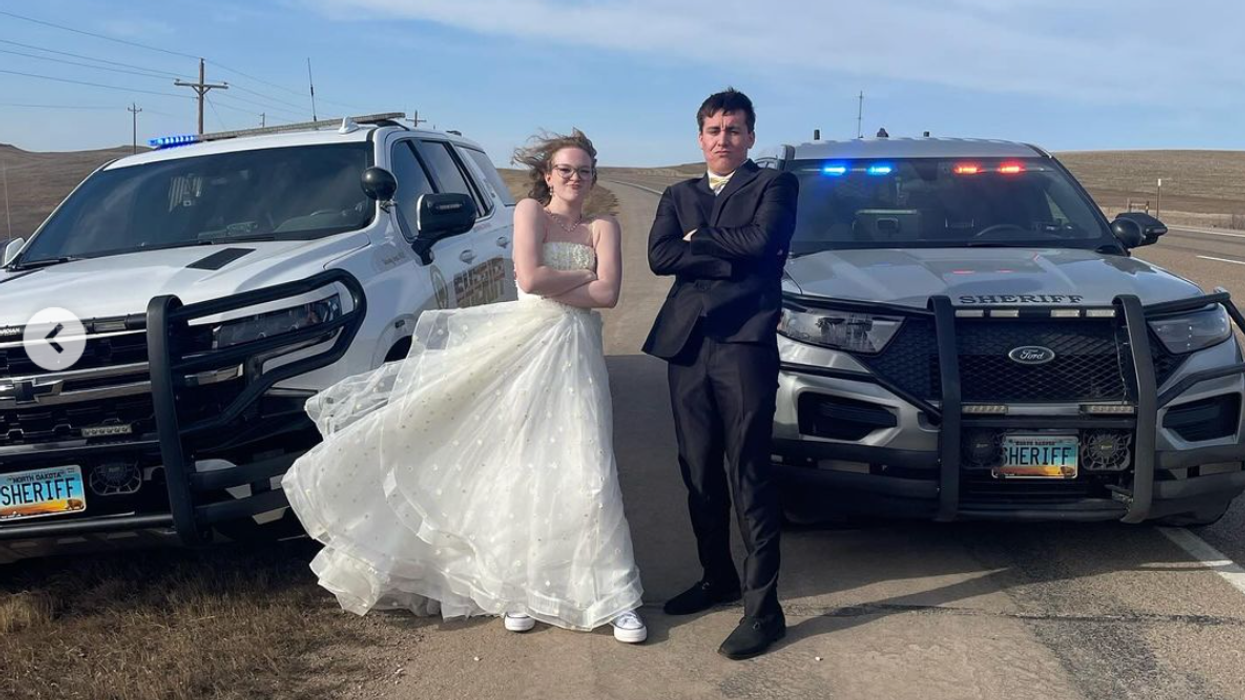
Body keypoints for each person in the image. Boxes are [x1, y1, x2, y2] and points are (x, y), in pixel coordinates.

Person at [281, 129, 647, 644]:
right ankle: (517, 588)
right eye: (565, 168)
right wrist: (570, 280)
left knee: (586, 465)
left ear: (593, 177)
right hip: (527, 347)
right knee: (521, 462)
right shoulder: (529, 214)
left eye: (584, 170)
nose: (574, 177)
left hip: (577, 354)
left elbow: (607, 294)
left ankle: (614, 596)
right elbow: (530, 275)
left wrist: (553, 280)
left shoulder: (603, 226)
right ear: (547, 174)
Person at [643, 88, 798, 660]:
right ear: (700, 136)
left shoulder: (775, 185)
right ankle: (717, 577)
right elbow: (660, 256)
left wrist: (700, 240)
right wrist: (727, 253)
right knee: (699, 471)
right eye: (713, 130)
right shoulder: (678, 192)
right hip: (686, 346)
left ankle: (765, 611)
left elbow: (765, 241)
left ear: (751, 136)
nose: (723, 139)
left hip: (743, 344)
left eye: (734, 130)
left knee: (749, 474)